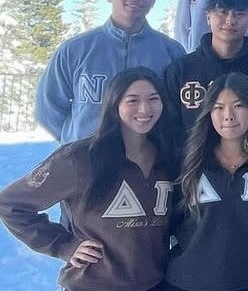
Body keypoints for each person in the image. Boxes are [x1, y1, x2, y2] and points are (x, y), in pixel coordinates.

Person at [0, 68, 178, 290]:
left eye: (153, 99)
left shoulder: (168, 158)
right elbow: (11, 203)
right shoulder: (80, 158)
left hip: (152, 283)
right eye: (133, 100)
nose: (145, 109)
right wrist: (63, 244)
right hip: (92, 284)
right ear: (114, 105)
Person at [36, 0, 185, 143]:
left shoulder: (171, 52)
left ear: (153, 0)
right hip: (87, 155)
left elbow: (178, 110)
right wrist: (76, 142)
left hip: (149, 156)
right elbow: (48, 109)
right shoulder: (74, 50)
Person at [165, 72, 248, 291]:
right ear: (208, 112)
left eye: (238, 106)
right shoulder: (189, 161)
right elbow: (160, 221)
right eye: (218, 107)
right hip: (187, 281)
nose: (228, 116)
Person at [164, 0, 248, 131]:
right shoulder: (181, 69)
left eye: (240, 13)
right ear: (208, 17)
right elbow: (170, 125)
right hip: (192, 146)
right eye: (222, 12)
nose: (230, 20)